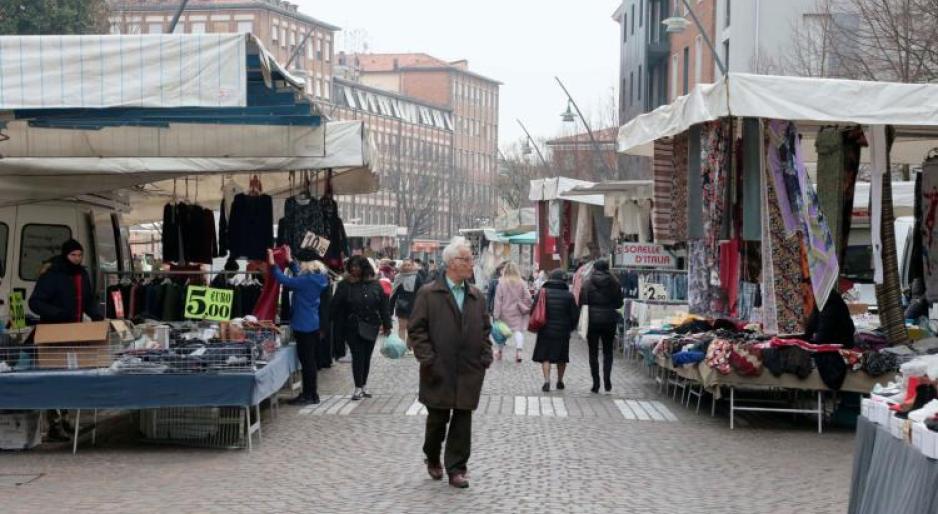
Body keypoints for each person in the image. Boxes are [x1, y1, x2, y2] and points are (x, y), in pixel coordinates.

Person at [409, 237, 492, 489]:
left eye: (470, 259)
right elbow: (416, 330)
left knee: (463, 420)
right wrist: (428, 359)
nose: (470, 264)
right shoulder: (429, 293)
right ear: (451, 263)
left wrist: (484, 357)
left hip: (469, 369)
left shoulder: (476, 296)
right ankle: (432, 455)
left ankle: (457, 468)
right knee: (437, 420)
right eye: (466, 259)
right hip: (438, 368)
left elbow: (485, 329)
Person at [268, 246, 329, 405]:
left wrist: (272, 264)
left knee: (307, 362)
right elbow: (299, 276)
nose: (299, 264)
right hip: (312, 323)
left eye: (300, 262)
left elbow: (284, 280)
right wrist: (289, 261)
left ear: (306, 264)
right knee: (310, 362)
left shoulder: (306, 280)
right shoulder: (318, 278)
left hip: (303, 325)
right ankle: (311, 393)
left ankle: (309, 395)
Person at [332, 255, 392, 401]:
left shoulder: (375, 284)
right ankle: (358, 387)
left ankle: (364, 386)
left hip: (371, 326)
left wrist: (387, 324)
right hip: (352, 327)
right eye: (352, 266)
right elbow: (335, 306)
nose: (354, 269)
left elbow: (383, 306)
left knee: (367, 357)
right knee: (358, 356)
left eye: (358, 266)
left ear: (364, 267)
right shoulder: (345, 285)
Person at [29, 239, 103, 324]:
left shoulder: (82, 274)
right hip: (53, 328)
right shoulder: (53, 273)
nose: (77, 258)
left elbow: (88, 300)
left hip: (75, 326)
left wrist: (96, 315)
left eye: (80, 255)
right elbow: (35, 302)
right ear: (65, 255)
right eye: (73, 255)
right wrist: (57, 313)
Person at [578, 259, 623, 393]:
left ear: (594, 268)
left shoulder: (587, 283)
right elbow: (619, 304)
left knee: (593, 353)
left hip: (592, 321)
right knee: (608, 351)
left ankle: (596, 383)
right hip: (609, 320)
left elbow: (582, 302)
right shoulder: (615, 283)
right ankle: (607, 380)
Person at [532, 269, 579, 392]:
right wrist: (571, 327)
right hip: (563, 331)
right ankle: (560, 381)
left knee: (546, 357)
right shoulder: (569, 296)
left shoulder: (542, 293)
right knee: (562, 357)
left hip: (545, 330)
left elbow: (533, 310)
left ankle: (547, 381)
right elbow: (575, 315)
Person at [493, 262, 532, 363]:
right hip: (518, 311)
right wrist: (522, 304)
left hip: (504, 312)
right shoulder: (521, 282)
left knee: (502, 332)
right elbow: (528, 297)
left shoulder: (501, 283)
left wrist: (496, 315)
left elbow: (498, 300)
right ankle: (519, 352)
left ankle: (500, 352)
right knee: (518, 331)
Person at [390, 260, 424, 343]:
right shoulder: (398, 277)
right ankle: (401, 346)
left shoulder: (418, 276)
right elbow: (394, 293)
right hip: (402, 306)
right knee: (402, 327)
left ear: (412, 266)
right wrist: (390, 309)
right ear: (402, 266)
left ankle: (410, 346)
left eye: (409, 265)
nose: (407, 267)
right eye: (405, 265)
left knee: (411, 328)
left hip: (414, 305)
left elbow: (422, 291)